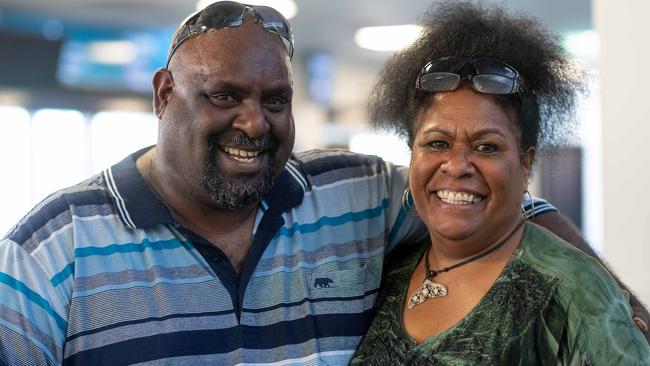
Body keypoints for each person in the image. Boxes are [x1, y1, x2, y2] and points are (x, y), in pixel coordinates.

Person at [0, 1, 645, 365]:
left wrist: (624, 314)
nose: (253, 122)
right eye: (225, 95)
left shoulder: (353, 197)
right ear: (165, 94)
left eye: (275, 99)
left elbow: (503, 209)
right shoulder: (51, 253)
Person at [351, 1, 650, 364]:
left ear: (526, 165)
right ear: (412, 154)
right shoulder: (388, 274)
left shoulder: (574, 292)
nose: (457, 165)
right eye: (437, 143)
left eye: (486, 147)